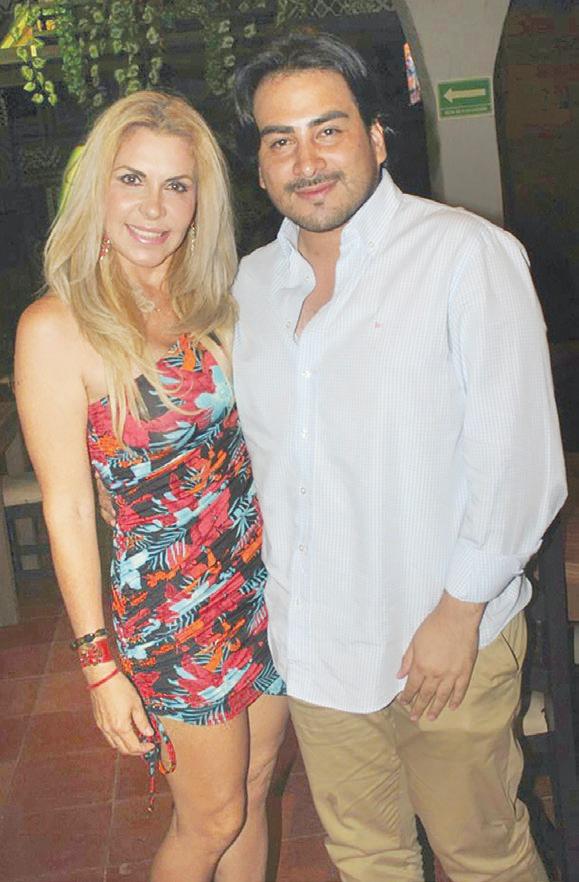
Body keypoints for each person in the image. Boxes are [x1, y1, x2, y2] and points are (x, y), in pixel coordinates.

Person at [229, 32, 567, 882]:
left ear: (376, 138)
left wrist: (459, 613)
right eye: (279, 141)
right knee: (366, 857)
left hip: (443, 637)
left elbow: (518, 459)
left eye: (328, 130)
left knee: (481, 855)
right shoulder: (248, 288)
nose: (306, 161)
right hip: (316, 647)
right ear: (260, 168)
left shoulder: (462, 254)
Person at [14, 91, 287, 882]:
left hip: (264, 584)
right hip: (170, 611)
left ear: (201, 200)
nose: (154, 206)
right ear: (96, 186)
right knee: (210, 818)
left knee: (255, 793)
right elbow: (68, 507)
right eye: (132, 178)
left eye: (177, 184)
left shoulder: (221, 301)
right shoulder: (55, 327)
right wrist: (99, 664)